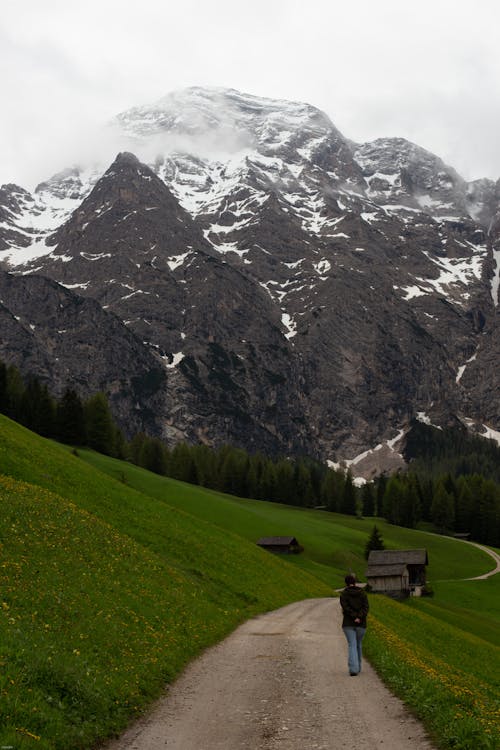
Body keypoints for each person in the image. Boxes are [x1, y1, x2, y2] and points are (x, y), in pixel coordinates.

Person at [340, 573, 369, 676]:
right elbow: (366, 608)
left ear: (346, 583)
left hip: (348, 623)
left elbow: (346, 608)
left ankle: (353, 669)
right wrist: (359, 617)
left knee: (352, 644)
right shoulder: (363, 593)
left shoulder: (344, 594)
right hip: (361, 624)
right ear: (355, 582)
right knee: (358, 644)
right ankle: (358, 667)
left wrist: (354, 617)